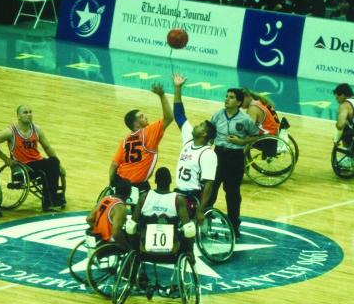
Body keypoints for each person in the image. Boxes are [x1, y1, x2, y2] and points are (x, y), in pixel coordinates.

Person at [0, 104, 66, 211]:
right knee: (48, 168)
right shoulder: (11, 131)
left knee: (54, 161)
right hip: (23, 166)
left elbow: (47, 147)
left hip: (38, 161)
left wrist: (60, 165)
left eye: (30, 112)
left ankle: (52, 196)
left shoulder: (37, 129)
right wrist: (6, 159)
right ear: (18, 116)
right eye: (25, 112)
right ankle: (49, 200)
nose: (29, 114)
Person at [206, 88, 260, 237]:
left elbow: (255, 136)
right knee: (210, 191)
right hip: (217, 156)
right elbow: (210, 133)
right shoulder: (217, 115)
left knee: (233, 194)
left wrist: (242, 141)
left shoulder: (245, 119)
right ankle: (205, 223)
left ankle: (234, 226)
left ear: (238, 102)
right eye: (226, 96)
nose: (226, 99)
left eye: (231, 97)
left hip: (235, 158)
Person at [109, 82, 174, 194]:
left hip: (120, 181)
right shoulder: (148, 132)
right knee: (144, 209)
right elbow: (169, 117)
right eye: (141, 117)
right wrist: (162, 95)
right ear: (135, 124)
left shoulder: (125, 141)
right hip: (137, 184)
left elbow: (114, 165)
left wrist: (111, 184)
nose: (145, 117)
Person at [171, 73, 218, 225]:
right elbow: (179, 115)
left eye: (200, 126)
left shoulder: (208, 154)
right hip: (178, 192)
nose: (195, 125)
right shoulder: (188, 140)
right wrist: (178, 88)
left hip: (193, 197)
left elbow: (209, 184)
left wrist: (201, 208)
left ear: (204, 134)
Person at [128, 167, 195, 264]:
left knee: (130, 228)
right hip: (171, 251)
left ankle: (132, 265)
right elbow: (189, 230)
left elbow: (131, 227)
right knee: (188, 230)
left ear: (155, 181)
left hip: (145, 249)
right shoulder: (178, 199)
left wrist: (132, 247)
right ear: (170, 181)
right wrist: (190, 251)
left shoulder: (144, 197)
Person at [87, 177, 132, 250]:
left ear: (115, 190)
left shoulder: (105, 198)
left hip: (96, 238)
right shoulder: (120, 208)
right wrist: (127, 247)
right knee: (132, 238)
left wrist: (99, 229)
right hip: (107, 242)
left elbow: (89, 219)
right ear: (129, 192)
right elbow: (115, 233)